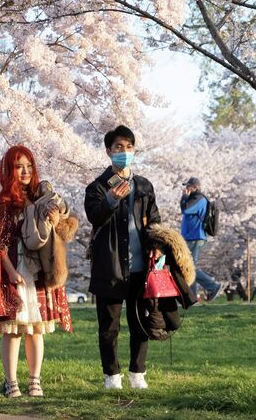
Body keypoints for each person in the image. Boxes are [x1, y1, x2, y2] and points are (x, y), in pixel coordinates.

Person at [0, 145, 73, 398]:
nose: (26, 171)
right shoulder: (3, 202)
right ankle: (11, 382)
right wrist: (8, 270)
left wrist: (54, 220)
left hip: (38, 269)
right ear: (10, 169)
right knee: (15, 329)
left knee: (37, 328)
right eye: (20, 166)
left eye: (29, 166)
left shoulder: (40, 198)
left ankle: (35, 381)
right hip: (16, 269)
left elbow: (59, 231)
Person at [84, 125, 162, 390]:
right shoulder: (96, 187)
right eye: (118, 147)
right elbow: (95, 216)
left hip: (141, 268)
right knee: (109, 327)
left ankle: (138, 373)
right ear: (108, 151)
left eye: (129, 147)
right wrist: (111, 199)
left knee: (140, 322)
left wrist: (157, 247)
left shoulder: (143, 185)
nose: (124, 152)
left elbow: (154, 222)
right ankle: (112, 376)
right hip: (110, 268)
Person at [180, 177, 226, 301]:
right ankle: (192, 296)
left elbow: (186, 209)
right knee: (189, 266)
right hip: (191, 236)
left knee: (191, 267)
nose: (186, 188)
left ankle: (213, 286)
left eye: (188, 186)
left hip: (195, 236)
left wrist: (184, 197)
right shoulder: (194, 198)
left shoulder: (199, 199)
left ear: (195, 187)